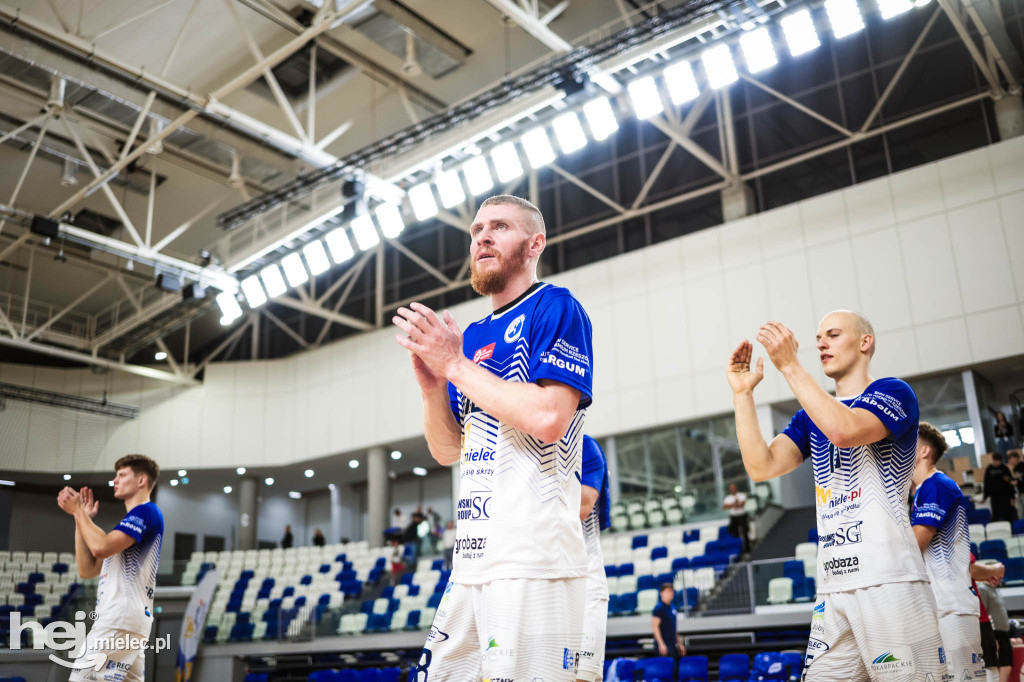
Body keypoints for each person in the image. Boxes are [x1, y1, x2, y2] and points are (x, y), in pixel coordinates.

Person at [394, 194, 593, 681]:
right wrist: (434, 388)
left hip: (533, 558)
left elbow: (550, 417)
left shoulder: (557, 306)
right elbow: (447, 450)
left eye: (499, 227)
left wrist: (455, 365)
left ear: (534, 244)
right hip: (473, 558)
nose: (481, 236)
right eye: (476, 230)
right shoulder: (475, 333)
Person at [726, 310, 945, 680]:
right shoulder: (812, 414)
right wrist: (743, 394)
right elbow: (760, 467)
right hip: (833, 586)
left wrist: (791, 366)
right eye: (818, 338)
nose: (821, 343)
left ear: (865, 342)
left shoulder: (893, 392)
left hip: (889, 579)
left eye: (833, 334)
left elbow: (845, 430)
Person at [56, 454, 163, 682]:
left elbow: (100, 547)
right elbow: (88, 569)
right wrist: (80, 519)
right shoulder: (129, 526)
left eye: (122, 475)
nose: (115, 480)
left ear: (141, 481)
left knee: (81, 679)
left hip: (119, 618)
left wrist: (78, 512)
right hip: (130, 620)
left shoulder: (144, 512)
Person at [911, 421, 984, 681]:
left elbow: (916, 544)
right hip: (938, 605)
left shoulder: (937, 485)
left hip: (953, 605)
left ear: (923, 452)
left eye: (906, 444)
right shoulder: (921, 490)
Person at [577, 435, 611, 682]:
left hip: (586, 579)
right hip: (544, 581)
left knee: (585, 677)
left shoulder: (586, 447)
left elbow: (582, 508)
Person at [978, 581, 1013, 682]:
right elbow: (983, 613)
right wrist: (991, 636)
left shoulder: (996, 590)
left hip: (1004, 633)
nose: (1001, 576)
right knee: (998, 667)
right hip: (994, 633)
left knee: (1007, 665)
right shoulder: (983, 589)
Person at [651, 583, 686, 680]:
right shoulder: (658, 608)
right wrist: (661, 644)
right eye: (667, 591)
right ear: (661, 593)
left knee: (675, 672)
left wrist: (679, 643)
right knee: (665, 673)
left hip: (672, 645)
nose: (670, 594)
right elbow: (655, 627)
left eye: (671, 591)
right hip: (664, 646)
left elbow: (674, 628)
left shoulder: (672, 608)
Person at [983, 451, 1016, 522]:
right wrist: (985, 496)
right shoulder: (989, 469)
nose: (996, 462)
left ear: (1000, 461)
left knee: (1008, 515)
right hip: (994, 496)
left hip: (1005, 496)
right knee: (995, 515)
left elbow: (1010, 484)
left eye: (998, 461)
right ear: (993, 460)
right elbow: (986, 484)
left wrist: (1012, 497)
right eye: (995, 460)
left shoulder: (1004, 468)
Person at [722, 483, 750, 554]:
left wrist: (731, 505)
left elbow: (742, 505)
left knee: (745, 532)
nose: (733, 489)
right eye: (731, 488)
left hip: (741, 516)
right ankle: (738, 549)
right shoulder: (728, 498)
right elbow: (725, 507)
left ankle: (747, 549)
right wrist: (735, 504)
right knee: (734, 532)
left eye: (734, 488)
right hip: (734, 517)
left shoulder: (741, 495)